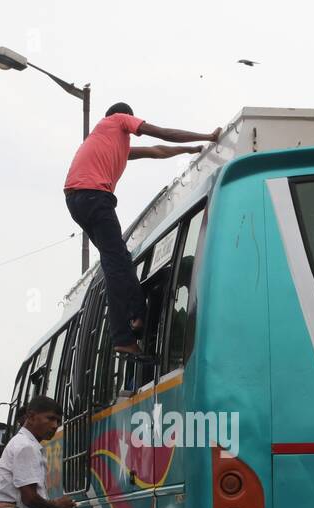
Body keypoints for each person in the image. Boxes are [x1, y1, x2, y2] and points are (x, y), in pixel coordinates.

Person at [64, 103, 221, 356]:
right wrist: (207, 136)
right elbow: (161, 134)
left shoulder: (110, 142)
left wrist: (191, 149)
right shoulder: (117, 120)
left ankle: (136, 315)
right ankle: (125, 333)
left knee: (118, 258)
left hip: (76, 200)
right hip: (93, 196)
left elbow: (156, 151)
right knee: (115, 263)